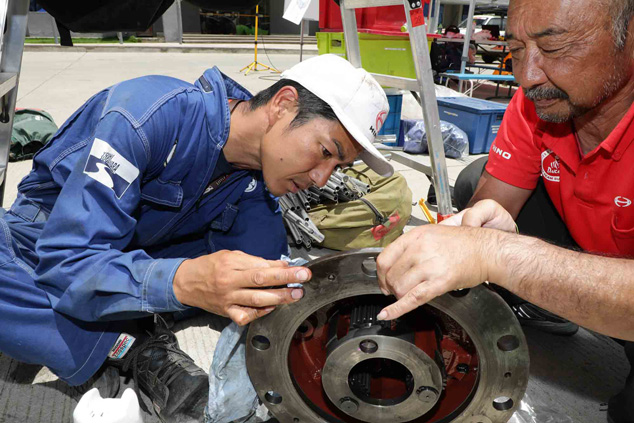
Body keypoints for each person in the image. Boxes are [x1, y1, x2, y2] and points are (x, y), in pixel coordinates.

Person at [0, 54, 393, 422]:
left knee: (264, 280)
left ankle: (122, 318)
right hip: (48, 238)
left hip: (139, 248)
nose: (323, 178)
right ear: (283, 104)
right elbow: (66, 262)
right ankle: (129, 349)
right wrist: (182, 281)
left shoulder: (256, 183)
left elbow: (277, 289)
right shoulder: (145, 115)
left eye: (339, 165)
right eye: (326, 151)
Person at [375, 0, 634, 421]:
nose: (527, 76)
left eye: (554, 49)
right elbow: (490, 202)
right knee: (472, 184)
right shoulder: (539, 104)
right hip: (599, 246)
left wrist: (501, 256)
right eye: (515, 50)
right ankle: (547, 302)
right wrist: (474, 233)